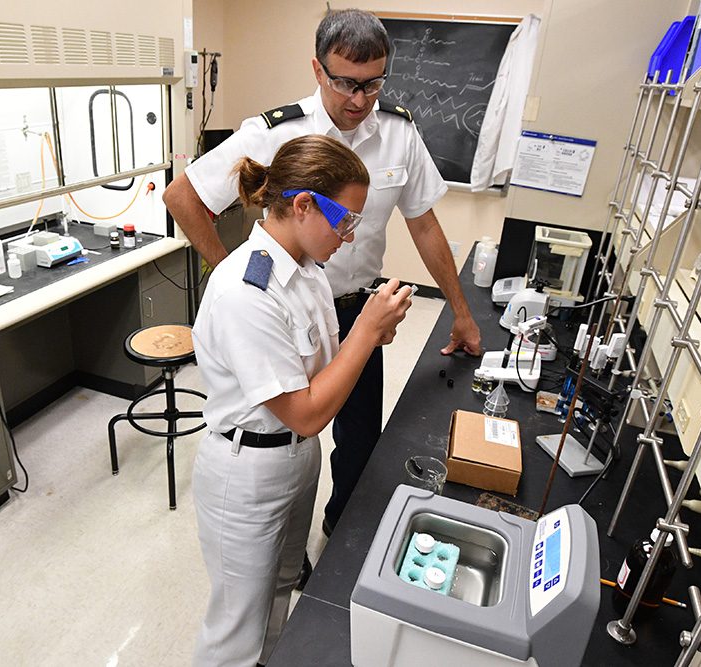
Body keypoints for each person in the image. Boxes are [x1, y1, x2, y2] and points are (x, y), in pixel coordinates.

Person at [164, 10, 483, 554]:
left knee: (358, 443)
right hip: (283, 313)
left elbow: (424, 222)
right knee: (286, 424)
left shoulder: (400, 133)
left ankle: (340, 540)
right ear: (317, 69)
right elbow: (182, 197)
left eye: (374, 83)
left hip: (356, 307)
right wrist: (235, 279)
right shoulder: (278, 134)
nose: (360, 100)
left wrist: (461, 309)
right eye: (346, 83)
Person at [190, 134, 412, 667]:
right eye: (345, 219)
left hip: (295, 459)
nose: (350, 235)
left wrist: (370, 335)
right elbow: (308, 412)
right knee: (235, 628)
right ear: (304, 205)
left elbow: (321, 373)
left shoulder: (308, 272)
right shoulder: (246, 291)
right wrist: (365, 333)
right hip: (246, 471)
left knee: (282, 586)